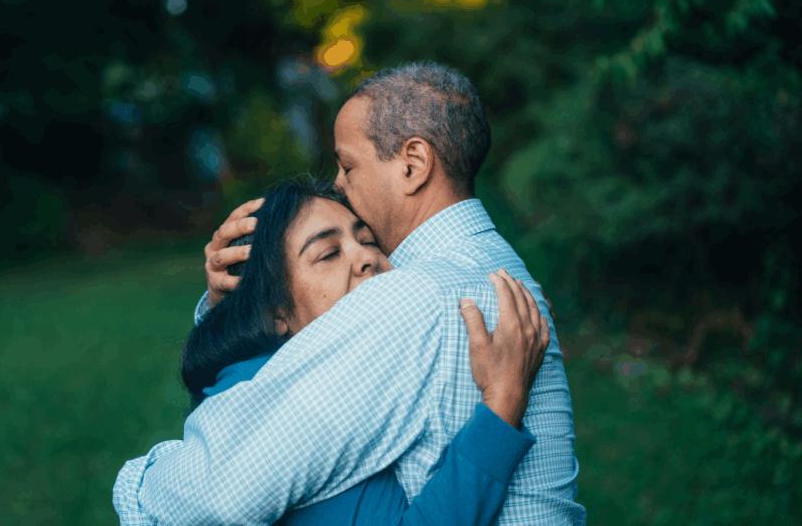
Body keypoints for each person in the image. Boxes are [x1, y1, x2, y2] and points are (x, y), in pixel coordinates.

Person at [116, 62, 585, 524]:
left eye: (348, 165)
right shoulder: (491, 267)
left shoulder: (414, 297)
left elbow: (218, 491)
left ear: (413, 164)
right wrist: (235, 304)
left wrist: (138, 481)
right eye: (328, 252)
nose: (339, 185)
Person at [166, 178, 548, 524]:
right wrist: (503, 402)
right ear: (275, 312)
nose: (366, 257)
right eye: (329, 254)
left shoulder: (249, 375)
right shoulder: (311, 412)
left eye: (367, 240)